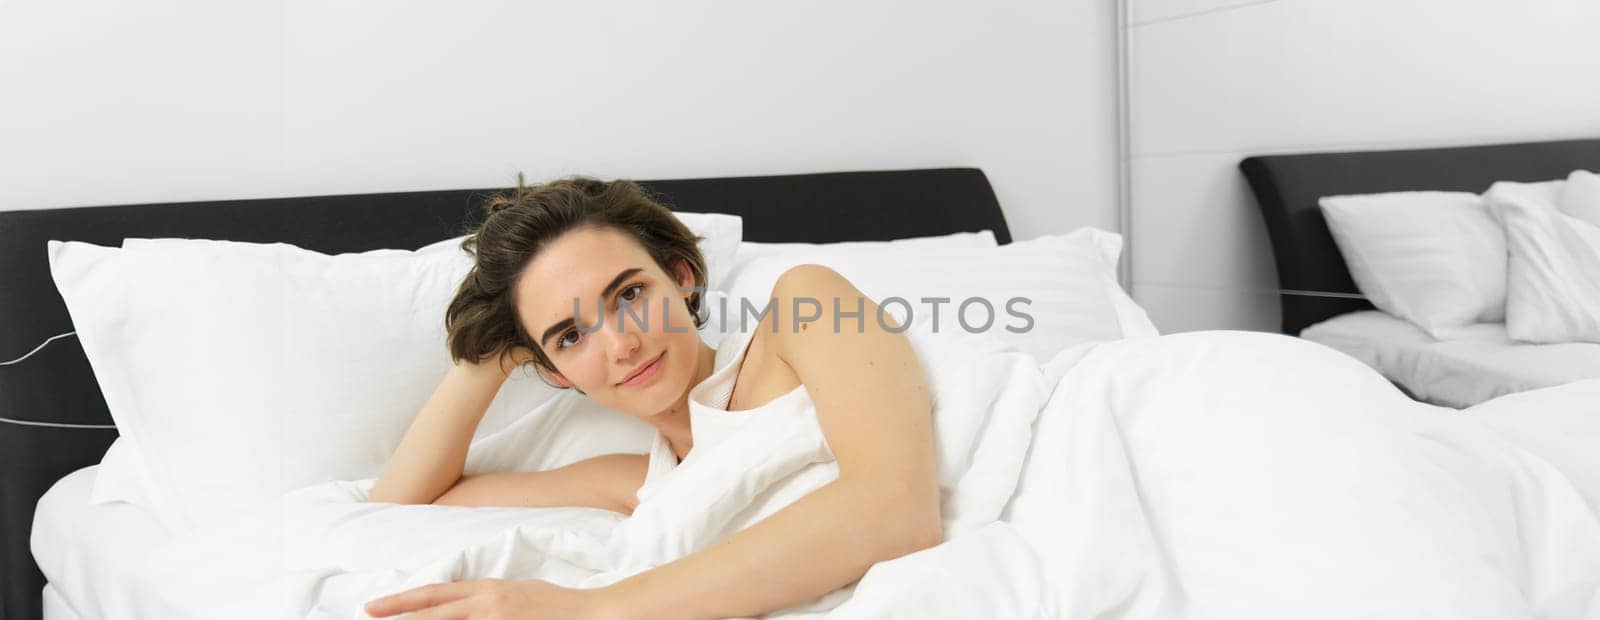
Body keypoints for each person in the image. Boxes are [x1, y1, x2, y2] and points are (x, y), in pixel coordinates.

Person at [362, 176, 941, 619]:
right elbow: (399, 508)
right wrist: (494, 351)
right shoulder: (641, 484)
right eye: (571, 336)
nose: (621, 344)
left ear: (682, 275)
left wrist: (588, 609)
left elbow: (896, 509)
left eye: (630, 293)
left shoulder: (802, 307)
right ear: (555, 372)